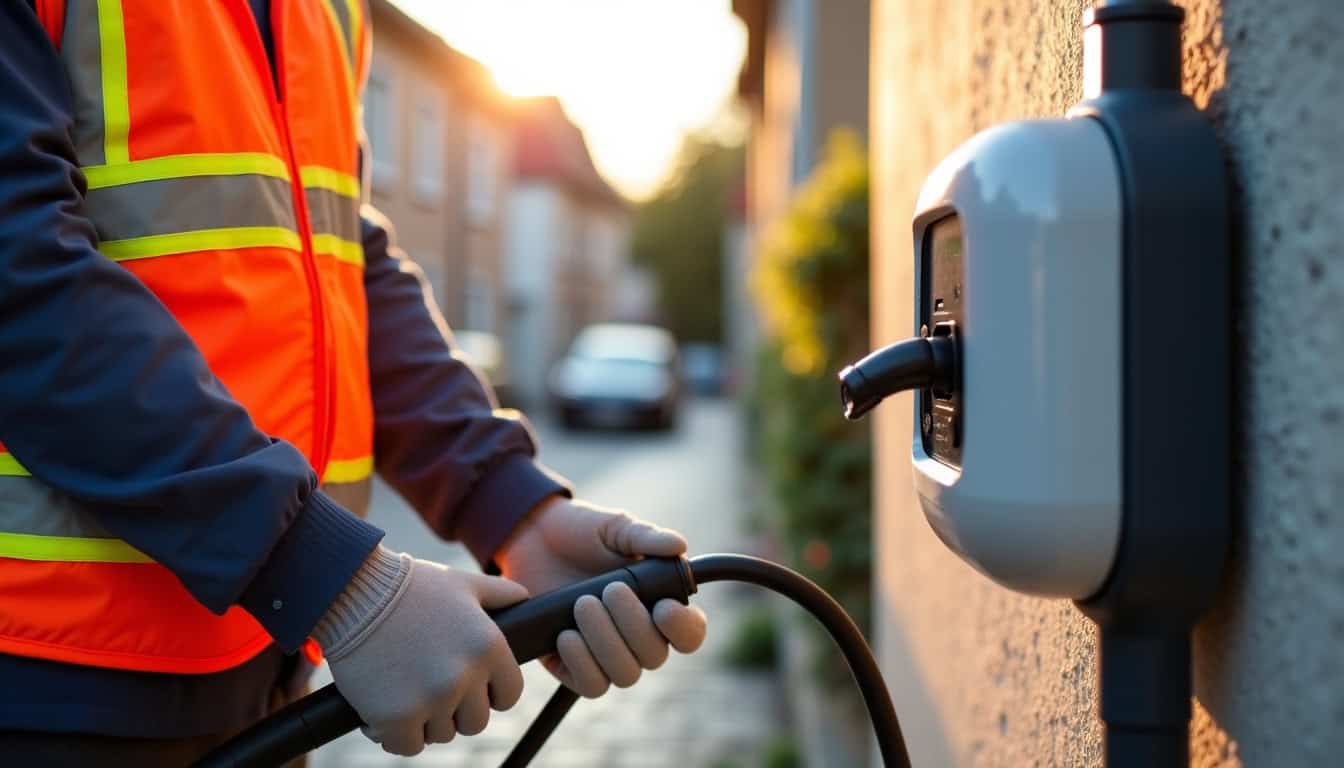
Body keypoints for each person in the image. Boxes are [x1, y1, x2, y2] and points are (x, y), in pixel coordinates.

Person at [0, 1, 706, 763]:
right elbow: (20, 268)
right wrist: (328, 576)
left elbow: (339, 253)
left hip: (263, 663)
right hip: (47, 677)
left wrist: (511, 507)